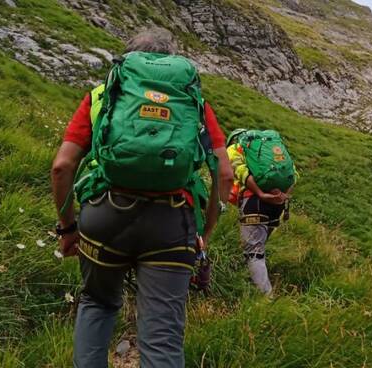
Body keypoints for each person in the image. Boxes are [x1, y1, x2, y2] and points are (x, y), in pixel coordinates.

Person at [50, 27, 233, 367]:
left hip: (105, 216)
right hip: (171, 223)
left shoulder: (103, 96)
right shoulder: (193, 104)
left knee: (98, 303)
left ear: (129, 57)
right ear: (171, 59)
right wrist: (204, 235)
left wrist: (68, 228)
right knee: (162, 334)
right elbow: (224, 174)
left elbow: (62, 166)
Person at [226, 129, 296, 295]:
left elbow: (240, 171)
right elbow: (294, 174)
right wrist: (284, 196)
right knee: (259, 246)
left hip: (254, 202)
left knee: (254, 253)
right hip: (278, 205)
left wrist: (260, 193)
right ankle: (250, 278)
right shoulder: (272, 152)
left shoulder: (235, 149)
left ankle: (266, 299)